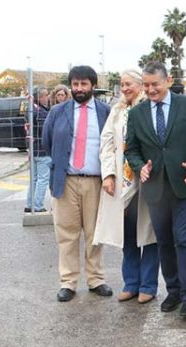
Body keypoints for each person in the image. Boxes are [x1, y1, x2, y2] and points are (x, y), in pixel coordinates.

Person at [125, 61, 186, 319]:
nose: (151, 90)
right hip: (155, 188)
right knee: (164, 242)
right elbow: (132, 149)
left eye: (156, 84)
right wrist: (139, 166)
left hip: (185, 185)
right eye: (147, 85)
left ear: (168, 80)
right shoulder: (137, 113)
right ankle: (172, 290)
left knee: (184, 240)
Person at [42, 65, 113, 302]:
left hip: (96, 182)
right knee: (67, 234)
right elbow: (47, 142)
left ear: (93, 85)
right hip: (66, 181)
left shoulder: (105, 112)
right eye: (75, 84)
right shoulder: (57, 112)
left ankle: (96, 279)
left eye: (84, 84)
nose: (79, 88)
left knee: (95, 234)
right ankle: (68, 282)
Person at [94, 69, 159, 305]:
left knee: (149, 233)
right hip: (123, 180)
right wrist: (108, 175)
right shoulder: (117, 111)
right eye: (122, 84)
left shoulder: (151, 106)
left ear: (141, 84)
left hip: (147, 179)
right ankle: (131, 283)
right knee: (128, 234)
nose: (125, 88)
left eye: (129, 83)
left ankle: (148, 285)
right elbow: (107, 143)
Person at [24, 87, 51, 213]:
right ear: (40, 97)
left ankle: (30, 204)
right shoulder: (41, 112)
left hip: (33, 148)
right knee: (43, 179)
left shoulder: (30, 111)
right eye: (46, 95)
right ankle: (38, 205)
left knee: (34, 179)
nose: (48, 97)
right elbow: (46, 131)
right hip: (42, 150)